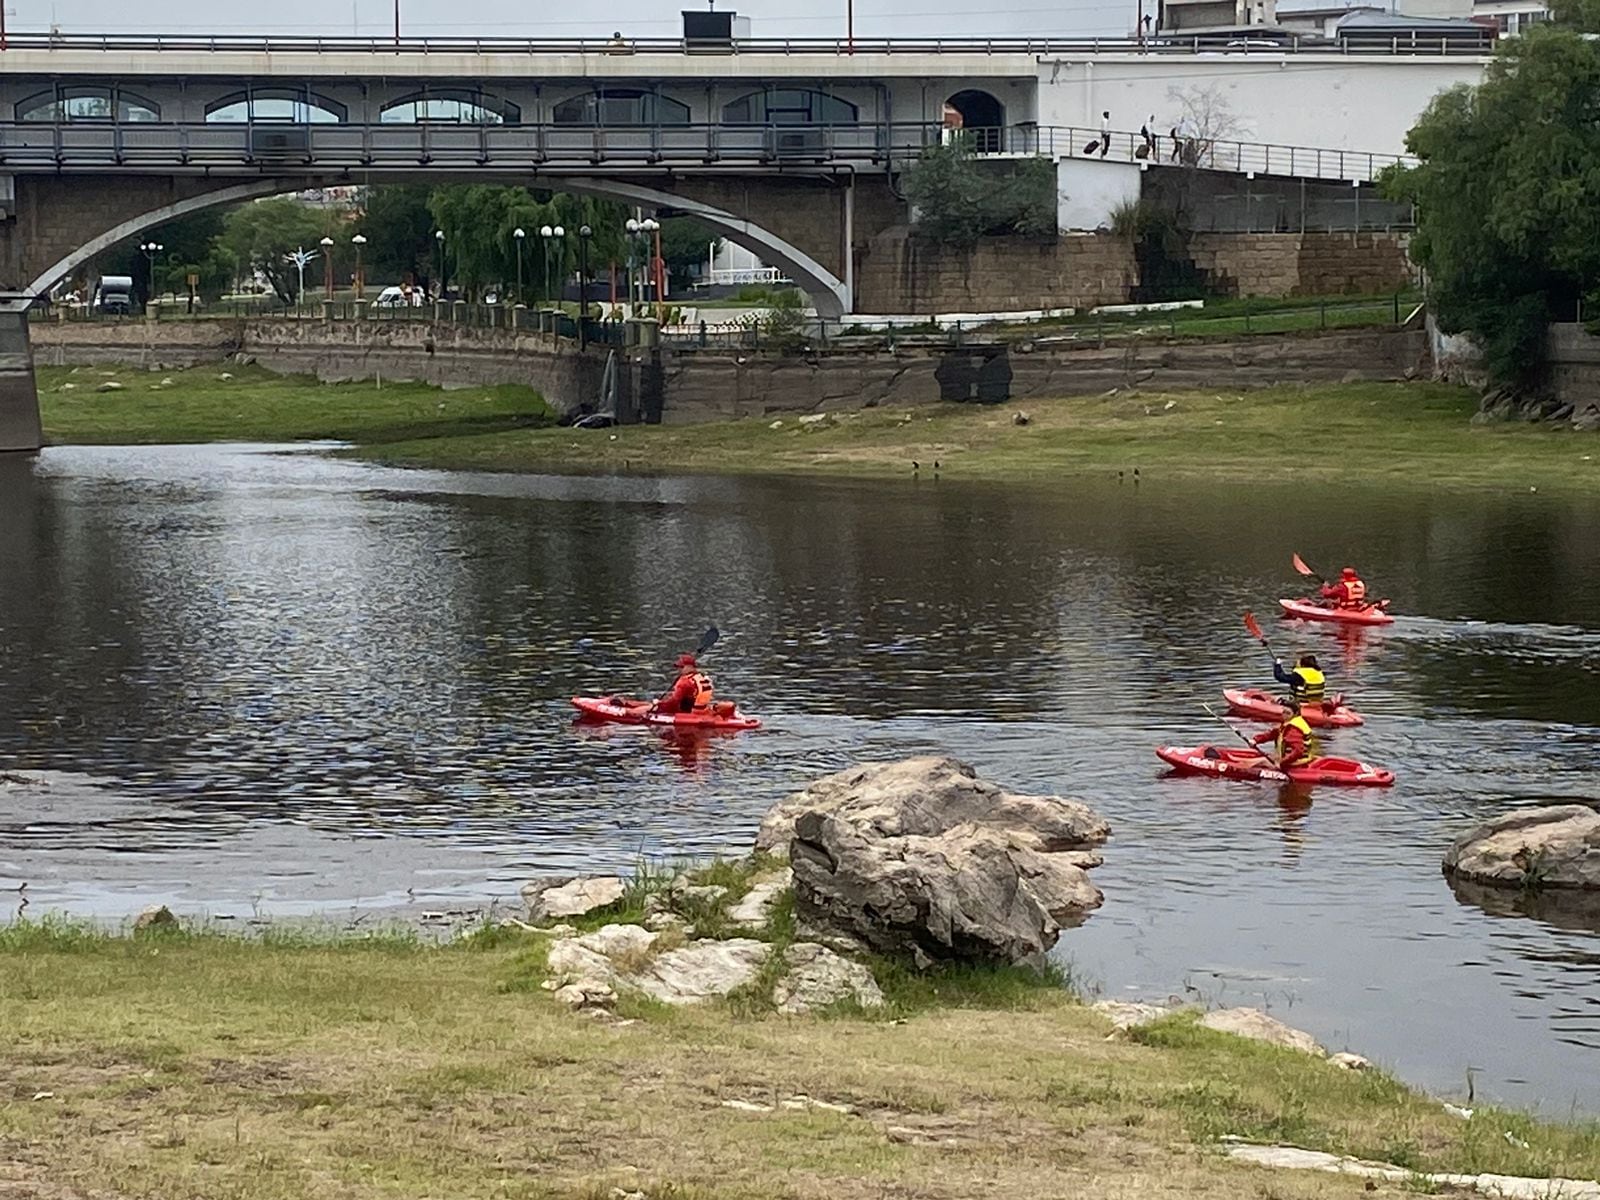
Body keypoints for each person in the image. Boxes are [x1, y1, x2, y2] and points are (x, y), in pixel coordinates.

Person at [1250, 699, 1318, 768]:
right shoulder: (1290, 722)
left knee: (1262, 762)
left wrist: (1281, 762)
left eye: (1288, 713)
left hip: (1295, 763)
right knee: (1268, 757)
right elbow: (1272, 734)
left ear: (1295, 713)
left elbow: (1298, 751)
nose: (1284, 715)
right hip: (1294, 760)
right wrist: (1256, 740)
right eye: (1283, 712)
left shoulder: (1293, 729)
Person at [1272, 652, 1341, 712]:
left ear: (1303, 665)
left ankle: (1284, 703)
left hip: (1301, 704)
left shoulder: (1299, 675)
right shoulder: (1319, 673)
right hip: (1316, 703)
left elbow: (1280, 677)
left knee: (1276, 700)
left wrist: (1278, 665)